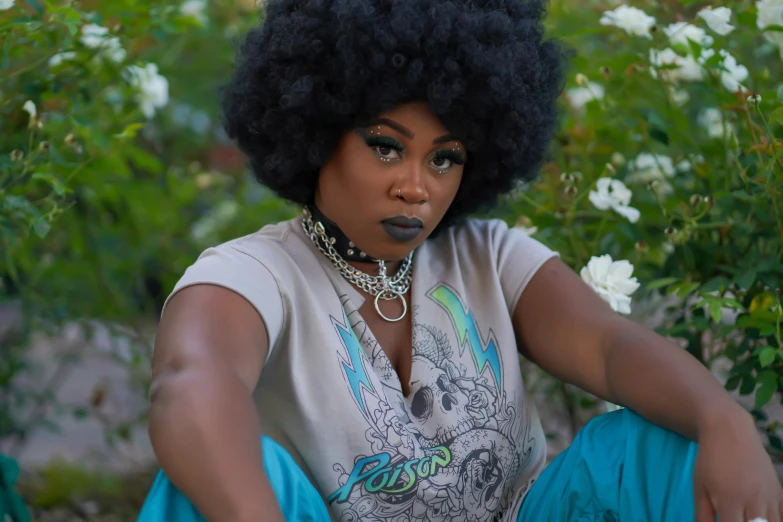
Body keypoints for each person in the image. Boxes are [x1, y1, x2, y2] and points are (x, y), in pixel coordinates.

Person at [137, 0, 783, 521]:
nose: (415, 187)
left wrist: (722, 419)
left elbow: (609, 348)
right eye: (386, 147)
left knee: (655, 447)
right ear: (316, 132)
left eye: (443, 158)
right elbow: (191, 384)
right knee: (200, 479)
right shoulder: (256, 274)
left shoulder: (488, 256)